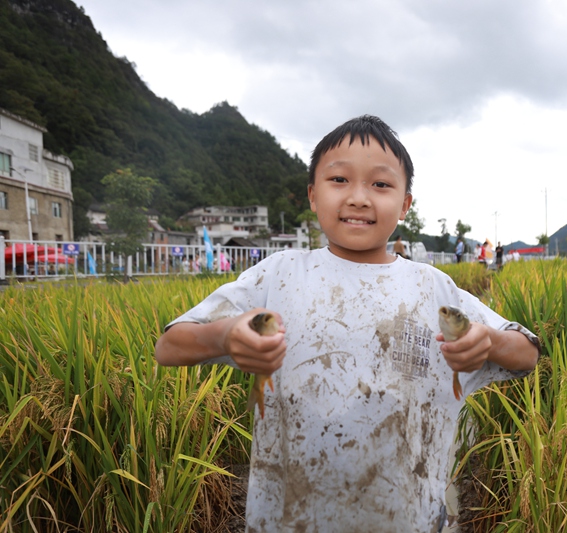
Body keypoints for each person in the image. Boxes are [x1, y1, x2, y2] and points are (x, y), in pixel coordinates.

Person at [154, 115, 541, 532]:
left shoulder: (432, 288)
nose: (358, 198)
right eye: (339, 180)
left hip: (407, 519)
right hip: (290, 520)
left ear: (406, 204)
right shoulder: (278, 275)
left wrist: (487, 343)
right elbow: (171, 346)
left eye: (380, 184)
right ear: (313, 196)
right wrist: (227, 335)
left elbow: (527, 352)